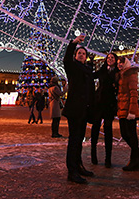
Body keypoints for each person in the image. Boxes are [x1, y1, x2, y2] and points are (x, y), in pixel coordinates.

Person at [62, 34, 95, 184]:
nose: (81, 55)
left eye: (84, 53)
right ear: (75, 56)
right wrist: (73, 43)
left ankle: (79, 166)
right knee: (74, 141)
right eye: (79, 53)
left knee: (79, 140)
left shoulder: (87, 69)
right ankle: (72, 171)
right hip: (75, 109)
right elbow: (66, 59)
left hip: (84, 110)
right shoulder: (72, 67)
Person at [116, 56, 139, 171]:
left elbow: (134, 93)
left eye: (121, 63)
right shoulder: (121, 74)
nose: (119, 65)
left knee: (131, 135)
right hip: (122, 109)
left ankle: (135, 160)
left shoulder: (130, 74)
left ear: (126, 63)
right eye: (118, 63)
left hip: (128, 110)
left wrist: (132, 111)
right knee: (125, 134)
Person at [90, 52, 119, 168]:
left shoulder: (118, 72)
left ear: (116, 60)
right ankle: (93, 154)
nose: (110, 59)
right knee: (95, 127)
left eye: (112, 58)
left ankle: (108, 158)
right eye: (108, 57)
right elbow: (92, 75)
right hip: (99, 102)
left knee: (108, 130)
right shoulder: (102, 70)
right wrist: (91, 62)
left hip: (110, 104)